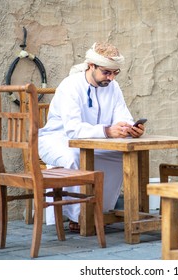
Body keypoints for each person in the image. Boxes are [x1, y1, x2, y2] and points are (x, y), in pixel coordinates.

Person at [38, 41, 145, 232]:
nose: (111, 78)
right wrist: (107, 131)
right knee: (74, 157)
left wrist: (129, 129)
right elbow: (72, 130)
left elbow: (122, 117)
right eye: (106, 72)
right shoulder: (70, 86)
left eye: (115, 73)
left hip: (95, 141)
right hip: (58, 140)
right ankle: (78, 217)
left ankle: (99, 212)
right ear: (91, 66)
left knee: (120, 156)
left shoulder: (113, 86)